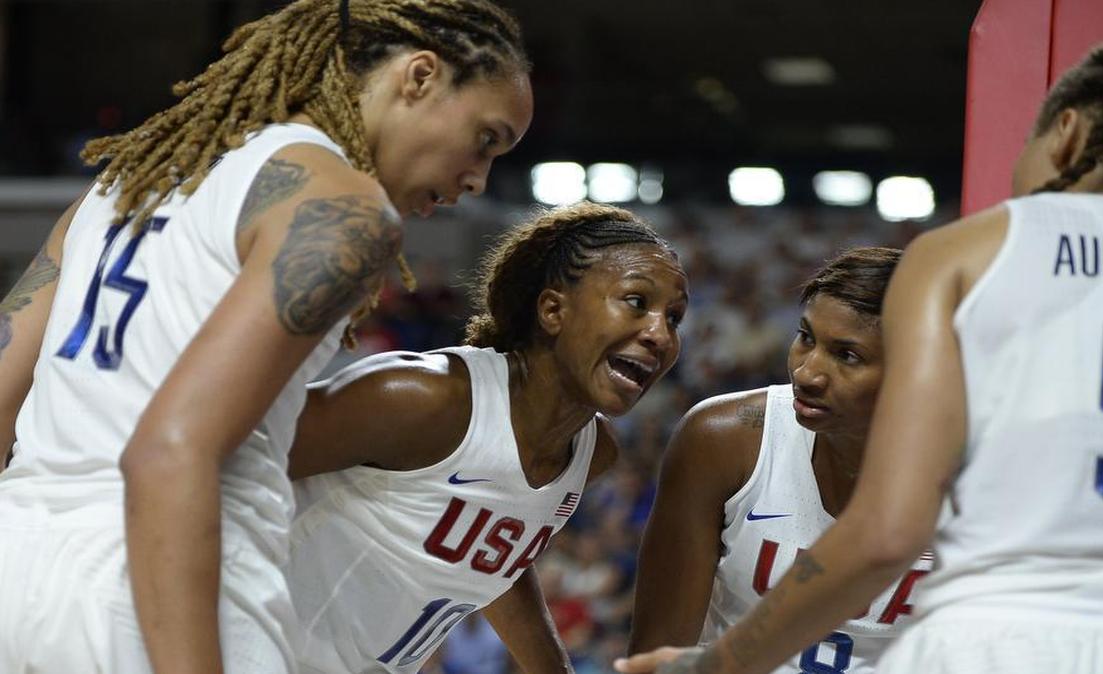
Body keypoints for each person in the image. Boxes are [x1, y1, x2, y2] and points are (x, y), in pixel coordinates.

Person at [617, 35, 1103, 674]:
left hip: (1017, 634)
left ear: (1065, 132)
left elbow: (887, 532)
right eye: (808, 338)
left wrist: (718, 664)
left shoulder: (974, 254)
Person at [0, 1, 533, 672]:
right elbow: (168, 451)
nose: (477, 178)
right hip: (162, 591)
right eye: (485, 139)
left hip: (17, 570)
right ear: (419, 77)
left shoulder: (124, 181)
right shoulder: (342, 207)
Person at [283, 202, 689, 674]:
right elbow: (229, 457)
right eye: (636, 302)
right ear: (553, 310)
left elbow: (497, 556)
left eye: (674, 317)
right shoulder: (423, 398)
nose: (660, 334)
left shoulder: (592, 451)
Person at [629, 248, 933, 674]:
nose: (807, 373)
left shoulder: (984, 481)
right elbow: (658, 654)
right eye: (806, 338)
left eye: (847, 356)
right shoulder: (724, 439)